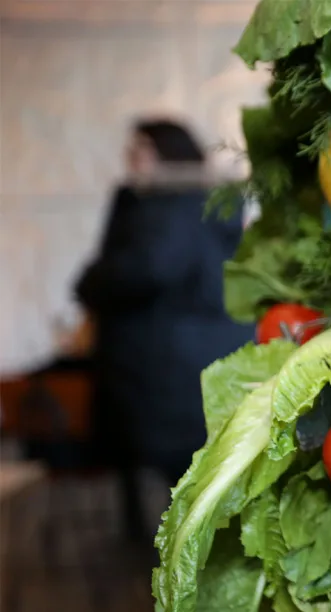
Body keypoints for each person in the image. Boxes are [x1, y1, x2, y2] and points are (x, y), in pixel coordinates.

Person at [75, 119, 253, 539]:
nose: (131, 158)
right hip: (209, 347)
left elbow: (148, 268)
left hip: (164, 360)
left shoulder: (165, 205)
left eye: (141, 148)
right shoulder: (216, 201)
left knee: (171, 466)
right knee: (200, 469)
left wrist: (90, 283)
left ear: (167, 153)